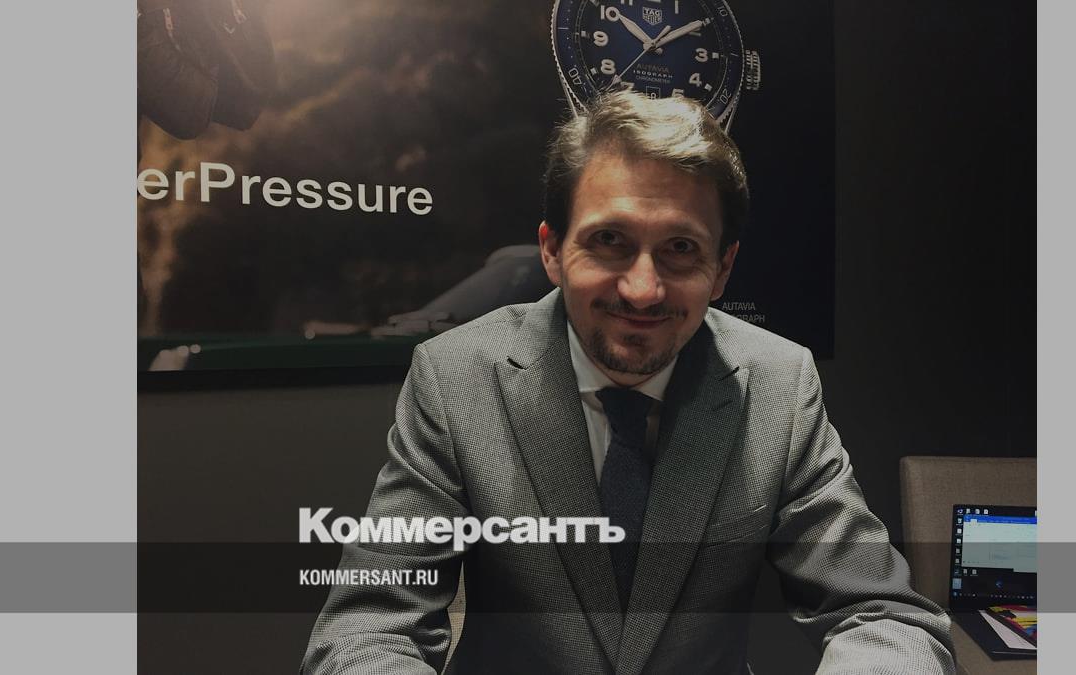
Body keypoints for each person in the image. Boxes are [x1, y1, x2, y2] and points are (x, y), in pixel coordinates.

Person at [302, 90, 954, 674]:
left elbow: (882, 615)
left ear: (723, 269)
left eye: (680, 248)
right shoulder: (455, 376)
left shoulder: (778, 384)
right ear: (552, 250)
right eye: (610, 239)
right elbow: (367, 629)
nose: (643, 289)